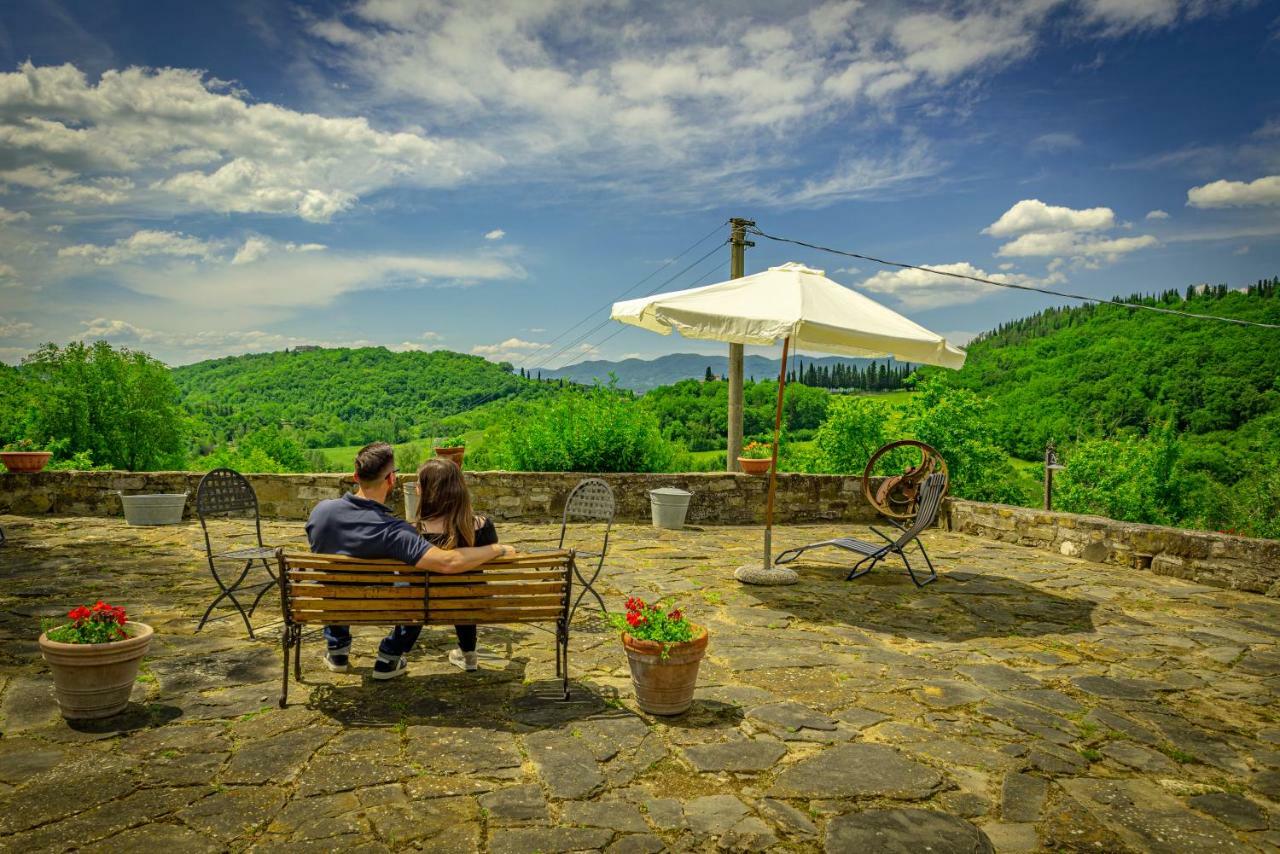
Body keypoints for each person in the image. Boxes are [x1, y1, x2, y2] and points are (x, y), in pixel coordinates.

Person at [306, 442, 515, 680]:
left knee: (337, 581)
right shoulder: (395, 531)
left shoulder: (320, 512)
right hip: (390, 604)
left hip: (333, 605)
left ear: (355, 476)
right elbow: (448, 562)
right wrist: (497, 549)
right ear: (392, 479)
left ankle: (337, 651)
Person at [412, 458, 498, 672]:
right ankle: (469, 653)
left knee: (412, 591)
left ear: (423, 491)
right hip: (469, 601)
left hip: (422, 603)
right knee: (465, 589)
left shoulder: (410, 532)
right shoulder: (482, 526)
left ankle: (392, 655)